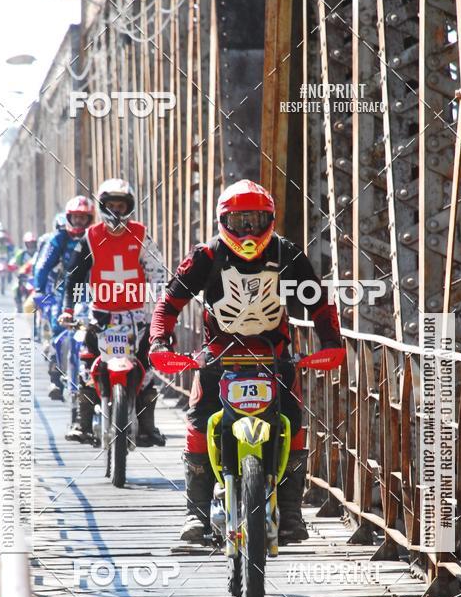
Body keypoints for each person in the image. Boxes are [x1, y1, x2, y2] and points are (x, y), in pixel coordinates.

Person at [149, 178, 342, 545]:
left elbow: (319, 303)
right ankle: (196, 514)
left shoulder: (287, 253)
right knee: (198, 424)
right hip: (217, 359)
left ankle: (291, 514)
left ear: (269, 218)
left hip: (275, 358)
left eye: (255, 220)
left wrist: (331, 341)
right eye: (239, 222)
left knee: (294, 423)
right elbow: (169, 303)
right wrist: (159, 340)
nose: (248, 230)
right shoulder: (205, 256)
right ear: (223, 221)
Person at [59, 178, 166, 447]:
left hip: (136, 314)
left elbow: (157, 273)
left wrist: (162, 308)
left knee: (146, 365)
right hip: (100, 314)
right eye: (111, 205)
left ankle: (147, 427)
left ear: (129, 207)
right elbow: (74, 276)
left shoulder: (141, 234)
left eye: (121, 205)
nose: (116, 211)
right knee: (88, 364)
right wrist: (69, 310)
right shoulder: (92, 237)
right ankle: (81, 423)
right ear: (103, 206)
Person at [34, 197, 95, 399]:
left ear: (90, 219)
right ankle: (56, 379)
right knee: (58, 329)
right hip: (65, 291)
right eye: (75, 217)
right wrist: (39, 289)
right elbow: (43, 265)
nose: (78, 221)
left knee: (98, 330)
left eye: (83, 218)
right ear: (69, 217)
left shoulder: (96, 236)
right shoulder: (59, 239)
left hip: (93, 291)